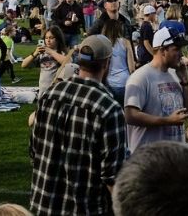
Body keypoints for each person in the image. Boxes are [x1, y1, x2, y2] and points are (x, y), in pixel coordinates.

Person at [28, 34, 128, 216]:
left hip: (44, 204)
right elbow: (113, 176)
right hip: (85, 208)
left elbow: (34, 152)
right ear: (107, 63)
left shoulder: (50, 95)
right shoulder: (108, 108)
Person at [125, 25, 188, 155]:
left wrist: (185, 81)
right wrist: (167, 121)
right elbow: (130, 115)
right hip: (148, 160)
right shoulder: (141, 77)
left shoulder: (175, 73)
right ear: (162, 50)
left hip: (174, 157)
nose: (181, 54)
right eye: (176, 49)